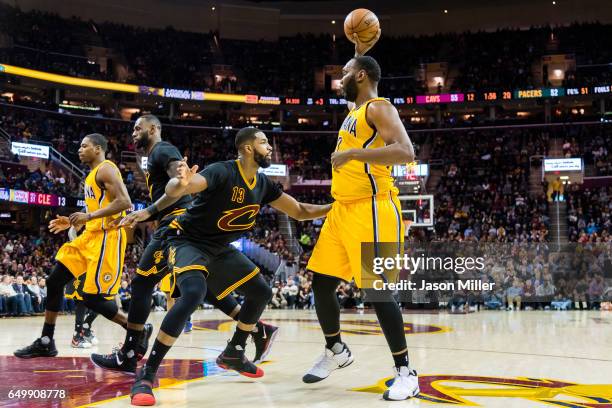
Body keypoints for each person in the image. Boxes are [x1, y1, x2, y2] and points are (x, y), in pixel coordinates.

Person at [126, 126, 331, 406]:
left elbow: (299, 210)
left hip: (219, 248)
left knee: (261, 291)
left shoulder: (263, 184)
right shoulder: (222, 171)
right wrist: (180, 181)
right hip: (188, 240)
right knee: (194, 294)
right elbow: (185, 185)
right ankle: (146, 375)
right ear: (248, 148)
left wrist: (335, 207)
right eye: (264, 142)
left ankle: (234, 350)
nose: (270, 147)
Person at [91, 115, 278, 376]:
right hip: (179, 223)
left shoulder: (163, 149)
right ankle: (256, 329)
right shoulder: (155, 154)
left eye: (138, 128)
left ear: (153, 129)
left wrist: (157, 205)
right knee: (201, 287)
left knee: (143, 282)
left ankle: (130, 354)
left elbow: (181, 181)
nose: (133, 132)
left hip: (177, 227)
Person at [302, 36, 420, 401]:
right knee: (321, 283)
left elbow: (406, 151)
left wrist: (353, 154)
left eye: (346, 72)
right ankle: (336, 350)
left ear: (364, 76)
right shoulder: (352, 114)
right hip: (343, 210)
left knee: (376, 289)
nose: (340, 79)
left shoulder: (379, 107)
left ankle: (406, 373)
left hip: (372, 207)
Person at [14, 134, 150, 359]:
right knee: (54, 280)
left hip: (107, 238)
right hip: (90, 236)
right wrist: (72, 221)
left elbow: (125, 202)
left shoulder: (107, 168)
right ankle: (46, 341)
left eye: (84, 146)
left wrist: (89, 216)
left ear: (98, 149)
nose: (79, 149)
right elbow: (96, 211)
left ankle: (136, 329)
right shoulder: (91, 175)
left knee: (91, 298)